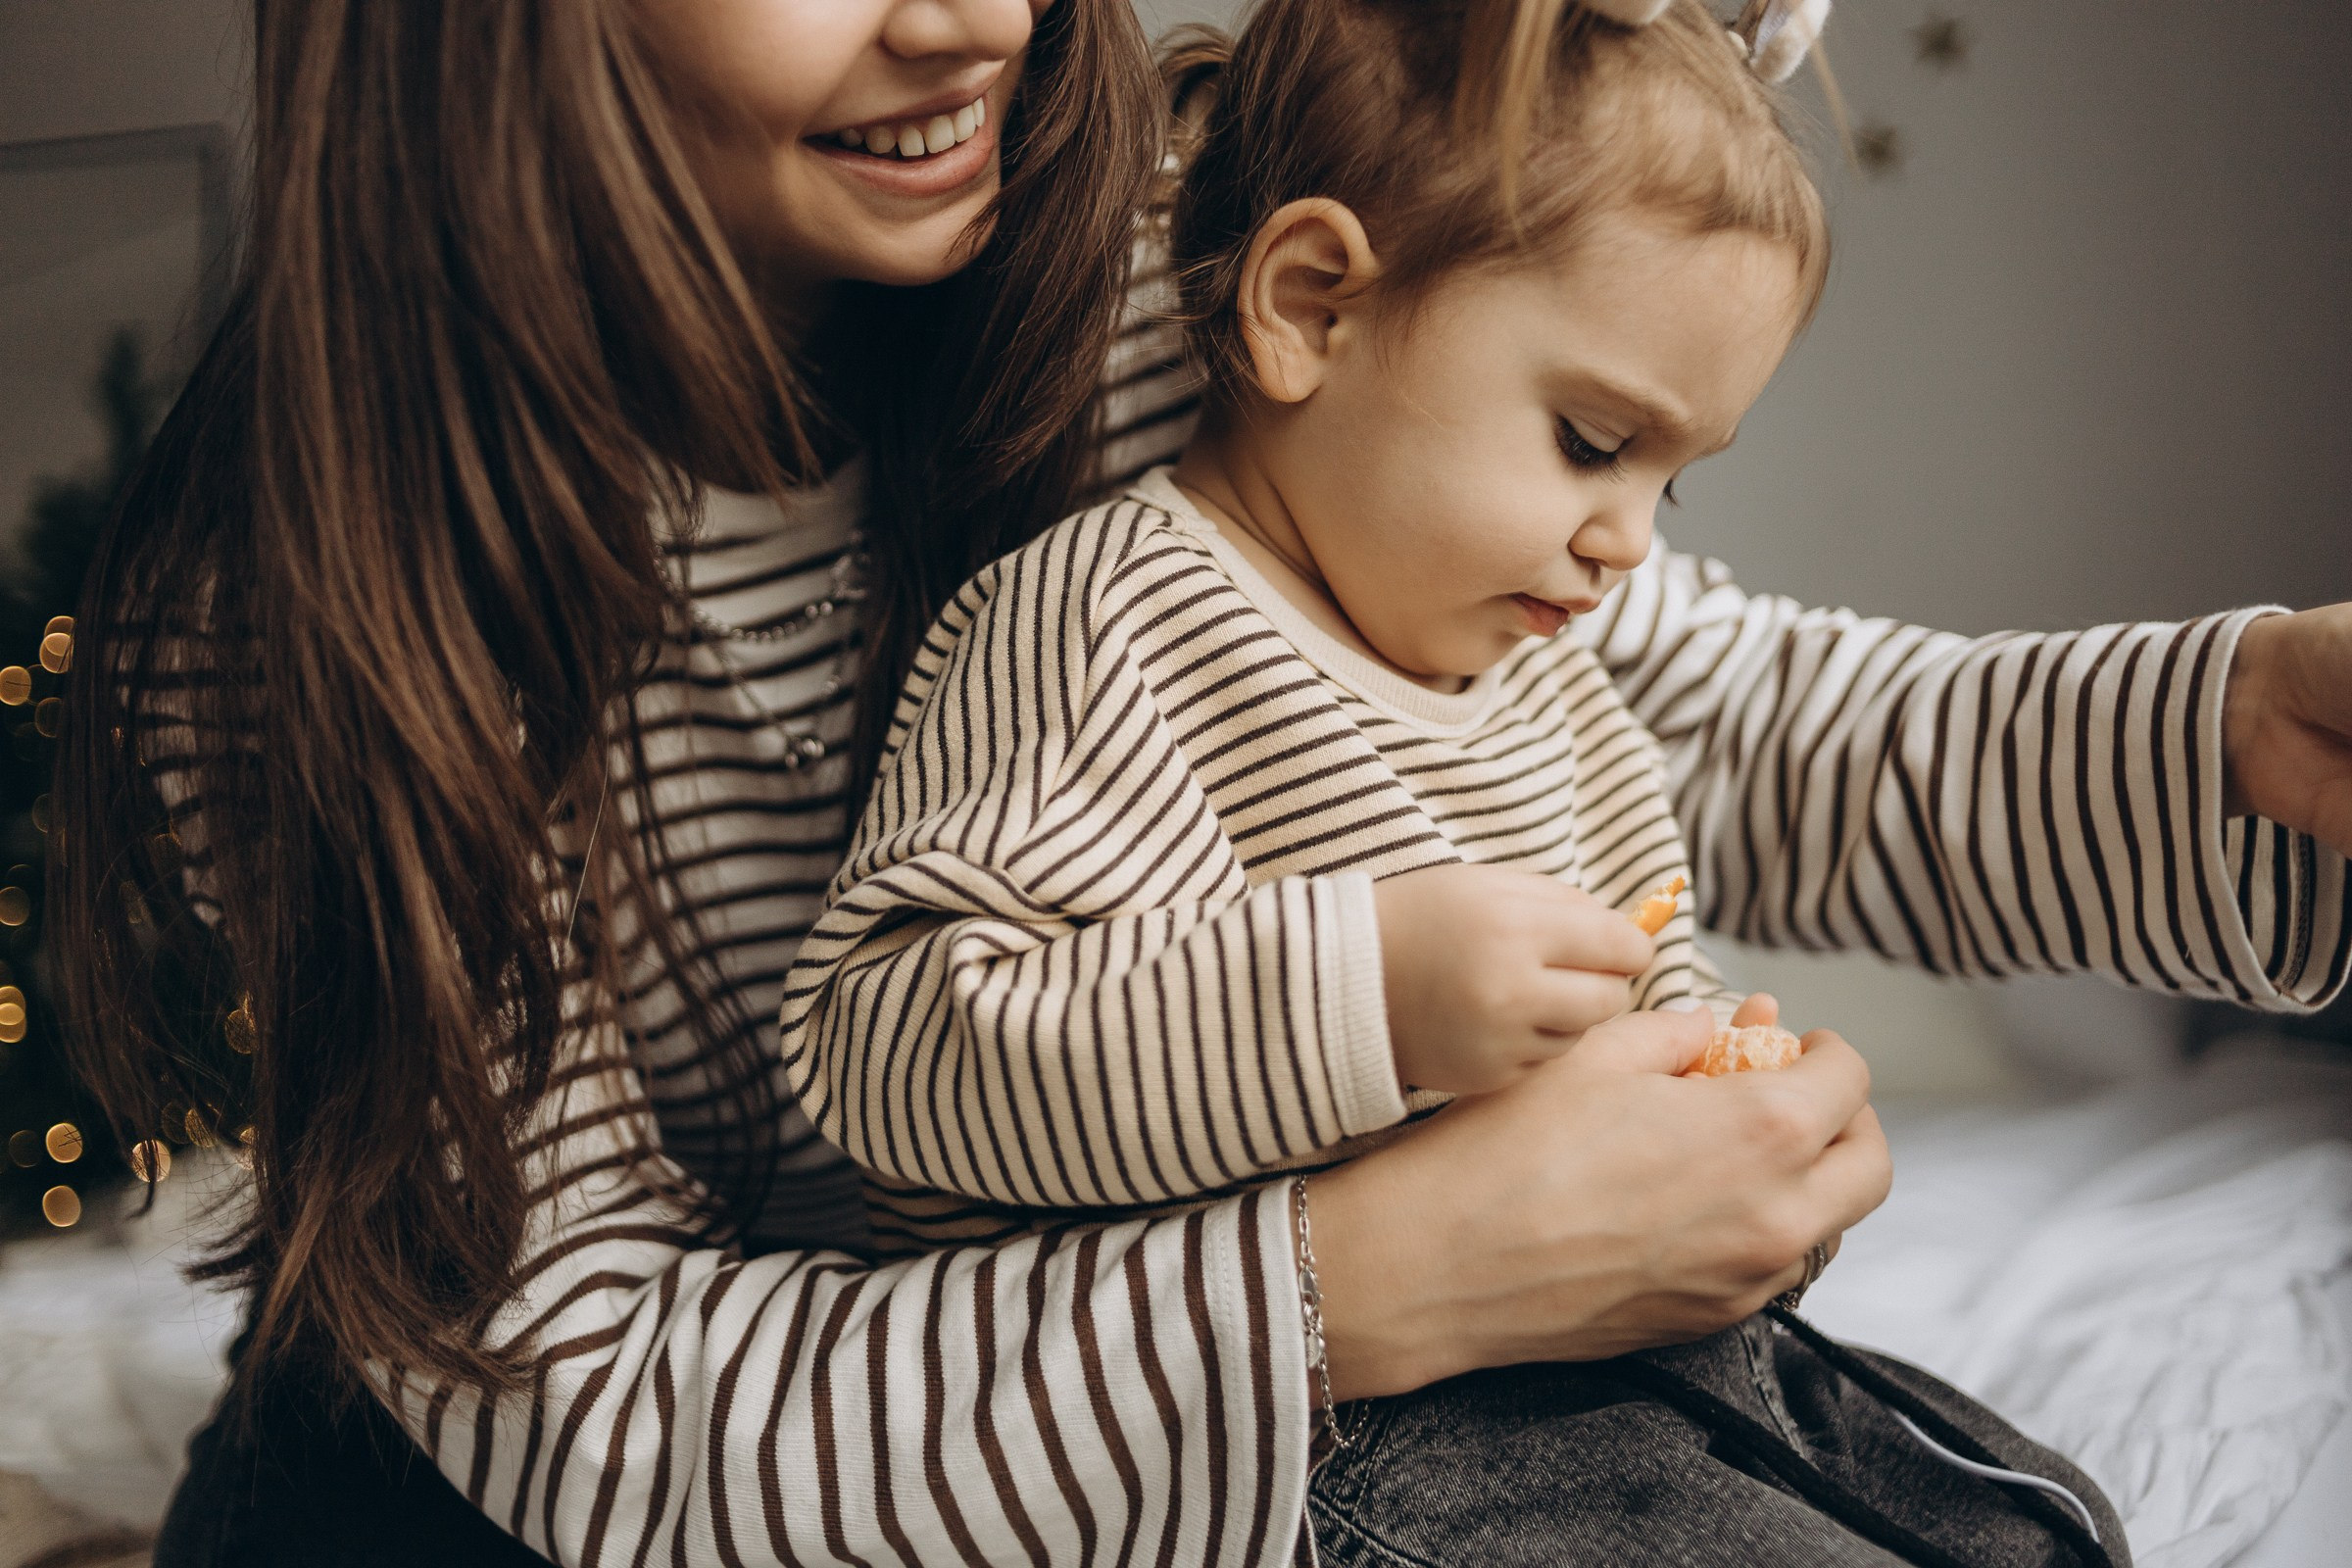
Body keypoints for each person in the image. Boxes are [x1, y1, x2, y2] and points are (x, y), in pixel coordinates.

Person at [47, 0, 2349, 1564]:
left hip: (1129, 1367)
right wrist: (1395, 1267)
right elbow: (612, 1410)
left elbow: (1665, 708)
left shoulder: (1168, 270)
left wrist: (2238, 732)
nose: (967, 14)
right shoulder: (294, 616)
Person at [761, 4, 2170, 1561]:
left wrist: (1736, 1131)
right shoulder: (1105, 622)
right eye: (1589, 441)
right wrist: (1360, 996)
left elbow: (1654, 950)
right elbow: (885, 1047)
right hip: (1327, 1436)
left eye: (1671, 477)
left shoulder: (1545, 671)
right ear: (1312, 307)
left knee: (2040, 1523)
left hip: (1611, 1355)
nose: (1632, 537)